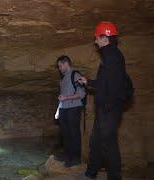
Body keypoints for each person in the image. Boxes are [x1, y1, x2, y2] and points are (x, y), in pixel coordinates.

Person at [78, 21, 126, 180]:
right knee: (96, 142)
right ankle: (91, 172)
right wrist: (88, 82)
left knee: (108, 145)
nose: (95, 41)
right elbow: (105, 82)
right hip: (106, 109)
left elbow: (113, 86)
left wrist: (107, 107)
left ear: (105, 38)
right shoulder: (110, 55)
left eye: (97, 38)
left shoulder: (112, 56)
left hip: (108, 109)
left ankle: (114, 177)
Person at [56, 55, 86, 167]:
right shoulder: (63, 79)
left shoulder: (75, 75)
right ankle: (67, 155)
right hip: (64, 108)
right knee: (65, 133)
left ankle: (76, 158)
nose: (59, 68)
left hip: (73, 108)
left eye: (60, 66)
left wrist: (66, 98)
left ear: (66, 64)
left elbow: (81, 94)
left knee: (74, 133)